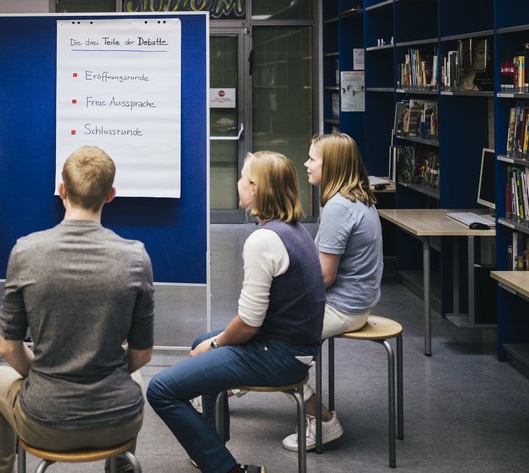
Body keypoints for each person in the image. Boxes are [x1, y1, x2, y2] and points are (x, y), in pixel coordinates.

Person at [147, 151, 325, 473]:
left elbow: (248, 324)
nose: (238, 182)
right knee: (203, 339)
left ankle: (224, 467)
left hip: (279, 356)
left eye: (244, 177)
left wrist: (215, 345)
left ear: (256, 189)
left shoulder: (263, 240)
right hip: (297, 348)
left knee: (161, 389)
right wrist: (211, 342)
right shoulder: (295, 230)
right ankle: (212, 445)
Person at [0, 146, 154, 473]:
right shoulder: (135, 257)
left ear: (62, 190)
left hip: (46, 421)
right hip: (119, 421)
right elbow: (142, 355)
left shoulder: (26, 252)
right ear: (111, 195)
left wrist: (48, 377)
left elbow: (8, 347)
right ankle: (121, 469)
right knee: (137, 377)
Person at [283, 133, 383, 451]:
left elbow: (324, 276)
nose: (306, 164)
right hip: (358, 304)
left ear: (333, 166)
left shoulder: (338, 207)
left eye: (313, 158)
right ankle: (225, 388)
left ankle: (324, 421)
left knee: (270, 346)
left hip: (342, 308)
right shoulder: (358, 199)